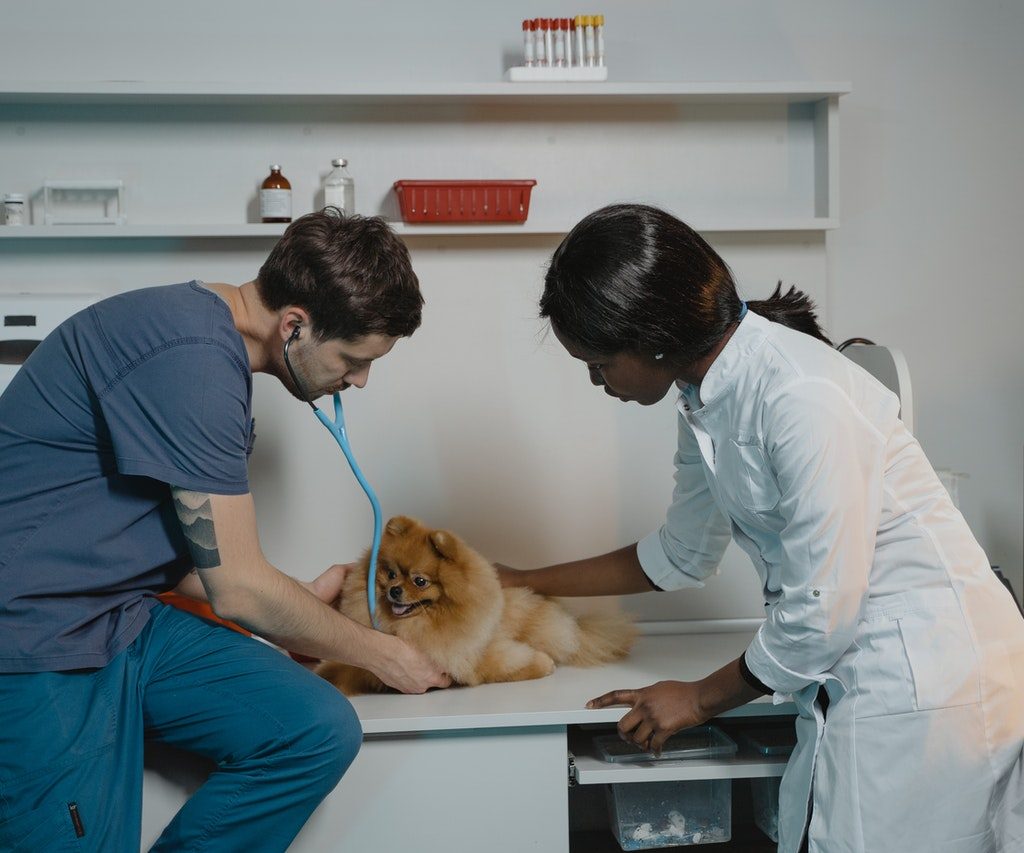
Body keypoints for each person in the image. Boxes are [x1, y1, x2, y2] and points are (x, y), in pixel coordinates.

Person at [498, 203, 1024, 852]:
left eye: (600, 362)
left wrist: (697, 699)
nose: (595, 379)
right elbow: (681, 553)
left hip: (927, 675)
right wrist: (519, 581)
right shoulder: (704, 394)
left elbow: (823, 609)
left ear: (653, 335)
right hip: (854, 669)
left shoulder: (802, 394)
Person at [0, 210, 450, 851]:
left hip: (121, 619)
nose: (358, 380)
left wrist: (295, 601)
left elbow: (182, 551)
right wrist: (385, 655)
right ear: (294, 325)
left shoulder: (205, 346)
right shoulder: (193, 361)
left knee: (314, 728)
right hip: (33, 635)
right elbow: (239, 589)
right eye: (353, 359)